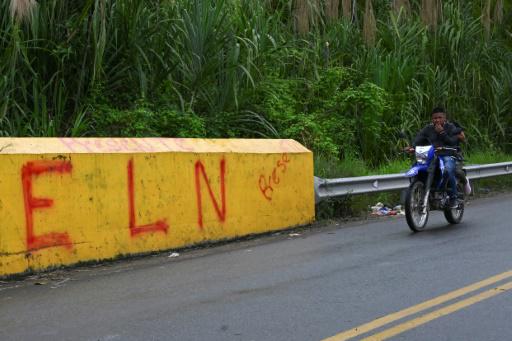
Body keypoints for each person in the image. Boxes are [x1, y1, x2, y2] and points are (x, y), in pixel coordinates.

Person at [413, 107, 461, 208]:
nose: (437, 120)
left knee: (447, 170)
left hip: (447, 155)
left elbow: (453, 142)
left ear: (445, 118)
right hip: (431, 155)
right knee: (416, 167)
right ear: (432, 119)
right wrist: (411, 147)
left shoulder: (450, 127)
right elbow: (419, 139)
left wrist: (442, 133)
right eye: (435, 118)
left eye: (440, 117)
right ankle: (420, 190)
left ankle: (454, 197)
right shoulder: (428, 128)